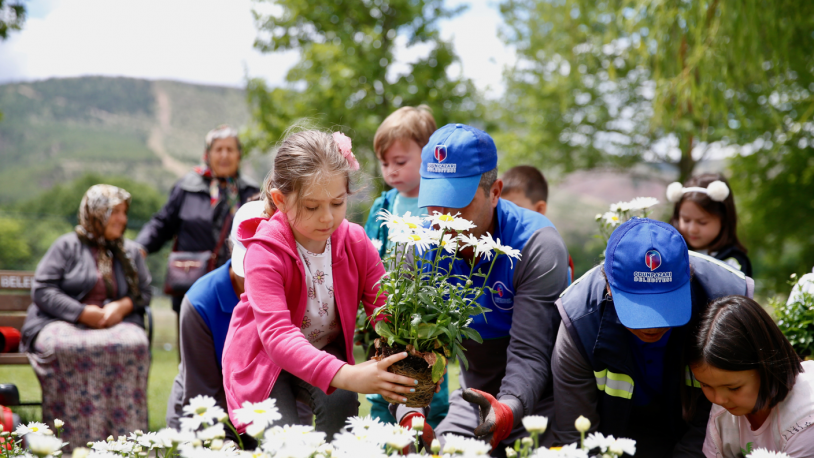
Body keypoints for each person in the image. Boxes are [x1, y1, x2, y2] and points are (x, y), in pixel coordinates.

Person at [221, 130, 423, 441]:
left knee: (341, 399)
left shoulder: (355, 242)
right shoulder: (264, 252)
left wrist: (409, 391)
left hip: (320, 352)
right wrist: (348, 374)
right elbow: (277, 336)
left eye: (337, 202)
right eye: (312, 207)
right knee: (284, 439)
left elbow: (386, 313)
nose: (327, 218)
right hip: (263, 361)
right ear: (280, 200)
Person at [392, 123, 571, 453]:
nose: (444, 218)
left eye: (459, 202)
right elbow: (409, 348)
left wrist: (506, 409)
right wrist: (411, 416)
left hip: (543, 402)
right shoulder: (415, 245)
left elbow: (531, 354)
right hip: (473, 399)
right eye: (435, 202)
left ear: (495, 192)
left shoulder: (537, 245)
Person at [550, 218, 754, 457]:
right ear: (608, 287)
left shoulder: (727, 302)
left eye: (665, 305)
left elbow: (722, 419)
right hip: (613, 436)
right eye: (639, 309)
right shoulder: (579, 321)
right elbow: (576, 434)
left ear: (688, 281)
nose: (653, 325)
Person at [21, 184, 152, 449]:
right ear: (96, 212)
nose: (122, 220)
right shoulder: (66, 246)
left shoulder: (129, 251)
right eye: (115, 212)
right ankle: (69, 444)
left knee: (133, 344)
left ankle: (126, 445)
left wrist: (122, 306)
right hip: (63, 322)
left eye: (124, 213)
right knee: (65, 347)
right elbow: (43, 289)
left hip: (115, 322)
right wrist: (82, 313)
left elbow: (145, 292)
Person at [363, 105, 449, 429]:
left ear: (429, 157)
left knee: (428, 389)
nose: (391, 172)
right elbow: (368, 253)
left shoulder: (439, 209)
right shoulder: (383, 205)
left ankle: (431, 434)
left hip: (426, 319)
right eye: (385, 164)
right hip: (386, 313)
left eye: (400, 162)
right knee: (382, 386)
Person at [135, 125, 260, 313]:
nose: (224, 155)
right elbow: (162, 224)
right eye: (218, 149)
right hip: (191, 284)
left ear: (239, 155)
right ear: (207, 154)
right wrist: (140, 247)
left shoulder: (251, 192)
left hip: (238, 285)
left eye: (230, 150)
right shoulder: (187, 188)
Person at [687, 295, 814, 457]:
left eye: (734, 388)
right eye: (706, 385)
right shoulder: (725, 408)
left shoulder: (806, 420)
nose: (719, 399)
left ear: (767, 366)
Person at [667, 173, 752, 277]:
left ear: (724, 219)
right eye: (686, 220)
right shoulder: (671, 254)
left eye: (702, 222)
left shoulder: (732, 262)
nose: (692, 229)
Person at [501, 165, 575, 282]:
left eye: (515, 208)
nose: (505, 214)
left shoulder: (550, 255)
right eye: (502, 207)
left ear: (540, 209)